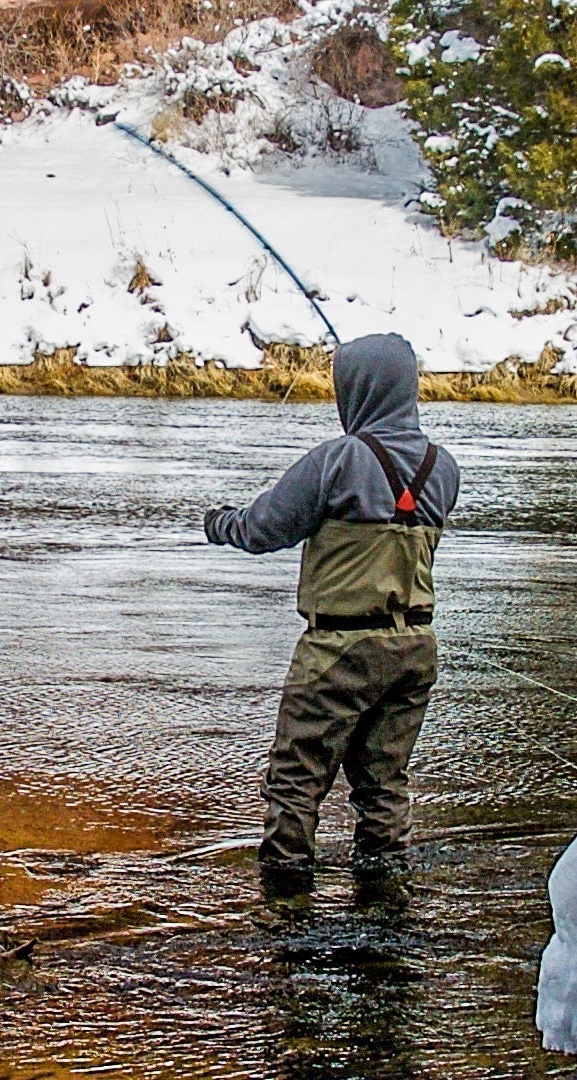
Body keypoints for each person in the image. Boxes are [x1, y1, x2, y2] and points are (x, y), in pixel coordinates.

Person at [203, 333, 461, 898]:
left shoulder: (337, 460)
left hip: (338, 652)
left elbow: (261, 529)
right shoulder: (444, 468)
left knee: (295, 783)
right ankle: (386, 902)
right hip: (414, 651)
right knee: (384, 784)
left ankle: (285, 909)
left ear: (356, 389)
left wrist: (217, 522)